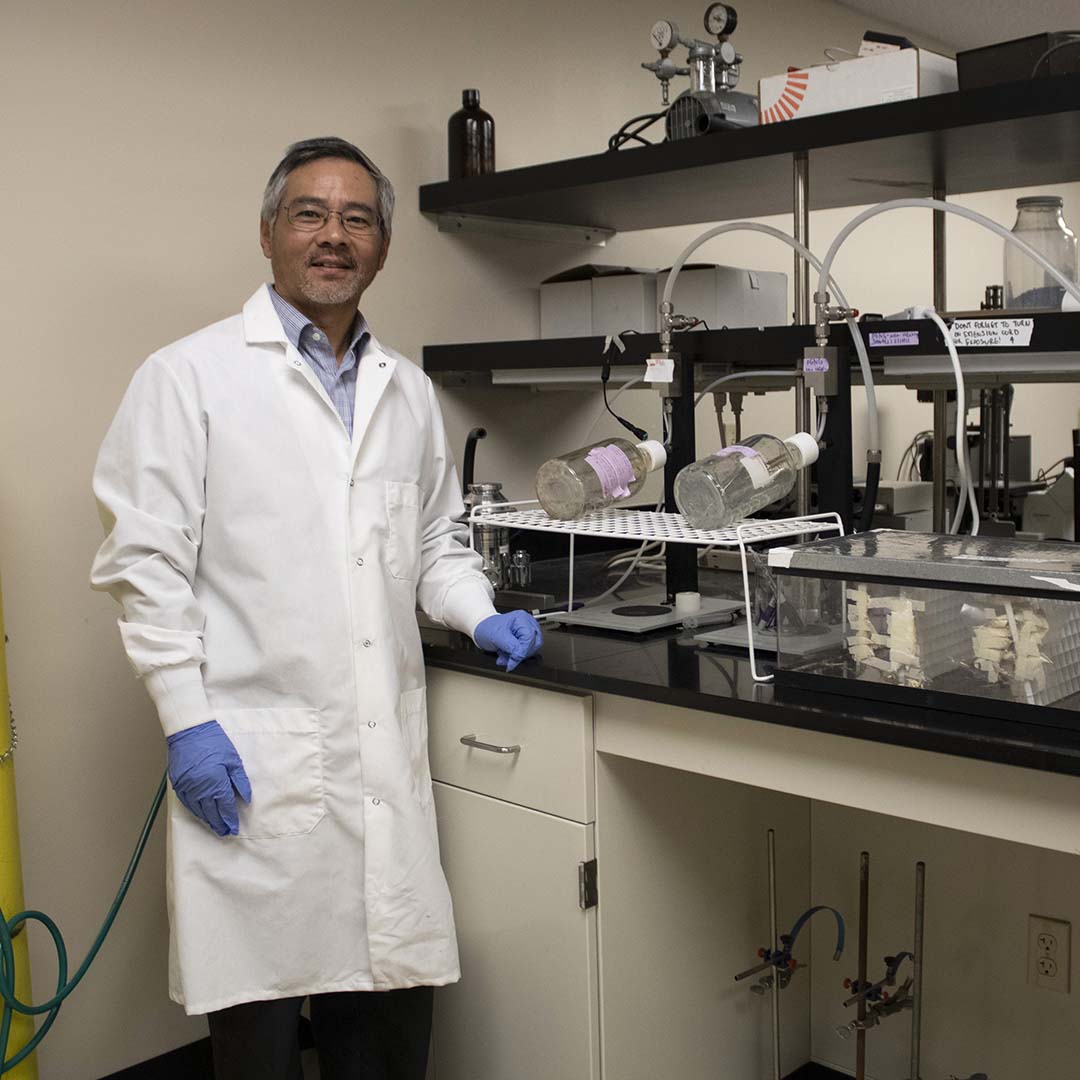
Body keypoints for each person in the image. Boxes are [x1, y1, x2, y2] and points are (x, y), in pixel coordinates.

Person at [91, 136, 543, 1080]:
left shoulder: (407, 390)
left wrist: (475, 610)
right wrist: (185, 722)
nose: (333, 236)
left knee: (381, 1038)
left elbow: (431, 545)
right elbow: (145, 564)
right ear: (267, 234)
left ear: (383, 247)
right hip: (254, 763)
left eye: (357, 219)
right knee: (255, 1040)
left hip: (381, 761)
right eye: (309, 214)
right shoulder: (188, 378)